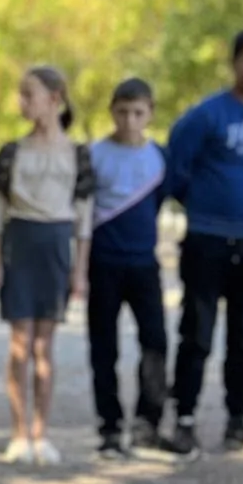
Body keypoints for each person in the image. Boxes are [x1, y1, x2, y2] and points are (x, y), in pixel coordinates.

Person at [161, 27, 243, 458]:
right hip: (207, 240)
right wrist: (202, 205)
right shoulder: (207, 115)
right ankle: (184, 420)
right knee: (197, 333)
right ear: (235, 63)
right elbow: (174, 167)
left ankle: (237, 423)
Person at [0, 66, 94, 464]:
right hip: (20, 244)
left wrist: (79, 271)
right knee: (20, 346)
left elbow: (84, 218)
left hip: (56, 247)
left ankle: (41, 434)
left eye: (29, 94)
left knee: (45, 347)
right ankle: (18, 435)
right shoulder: (12, 153)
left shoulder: (78, 154)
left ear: (55, 98)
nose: (22, 102)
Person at [85, 78, 170, 459]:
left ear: (150, 113)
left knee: (155, 342)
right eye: (122, 112)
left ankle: (146, 422)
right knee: (104, 348)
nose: (130, 120)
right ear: (111, 112)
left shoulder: (160, 158)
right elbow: (83, 211)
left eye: (138, 113)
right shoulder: (94, 154)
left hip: (144, 264)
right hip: (103, 263)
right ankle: (110, 426)